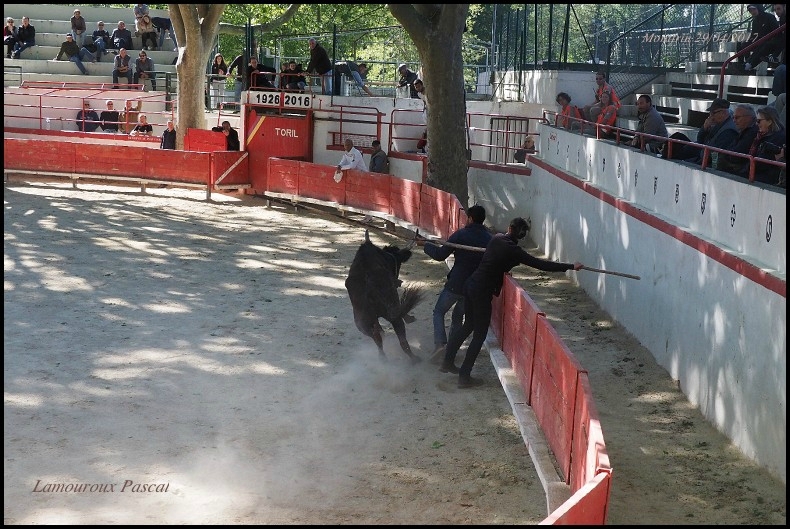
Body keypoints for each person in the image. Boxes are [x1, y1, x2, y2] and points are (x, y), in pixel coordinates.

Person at [441, 217, 583, 388]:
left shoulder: (497, 238)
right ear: (522, 235)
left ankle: (447, 362)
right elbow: (541, 264)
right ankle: (464, 377)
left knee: (468, 325)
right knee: (479, 335)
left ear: (510, 228)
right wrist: (570, 266)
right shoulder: (515, 251)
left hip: (471, 285)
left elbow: (501, 258)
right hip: (482, 291)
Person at [416, 205, 492, 364]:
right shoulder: (489, 239)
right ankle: (451, 349)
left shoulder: (461, 234)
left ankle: (440, 344)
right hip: (473, 288)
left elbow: (439, 255)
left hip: (456, 284)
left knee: (439, 311)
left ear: (470, 218)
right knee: (458, 317)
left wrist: (425, 245)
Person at [694, 98, 739, 168]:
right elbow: (700, 140)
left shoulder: (729, 130)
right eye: (710, 113)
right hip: (702, 155)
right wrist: (704, 128)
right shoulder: (717, 123)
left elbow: (714, 153)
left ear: (723, 113)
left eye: (713, 113)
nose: (711, 116)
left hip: (711, 163)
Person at [718, 104, 759, 177]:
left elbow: (737, 155)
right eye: (733, 117)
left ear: (749, 118)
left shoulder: (752, 132)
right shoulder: (744, 131)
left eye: (737, 118)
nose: (734, 121)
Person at [749, 105, 786, 185]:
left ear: (769, 121)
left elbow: (761, 163)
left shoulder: (778, 138)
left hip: (767, 180)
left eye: (759, 121)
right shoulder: (760, 136)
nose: (756, 124)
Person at [740, 4, 780, 71]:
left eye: (754, 9)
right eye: (750, 10)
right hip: (758, 40)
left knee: (761, 45)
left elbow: (777, 32)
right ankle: (743, 63)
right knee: (742, 44)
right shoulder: (755, 21)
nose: (752, 12)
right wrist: (750, 41)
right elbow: (754, 35)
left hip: (769, 42)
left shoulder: (769, 17)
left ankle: (748, 65)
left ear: (759, 8)